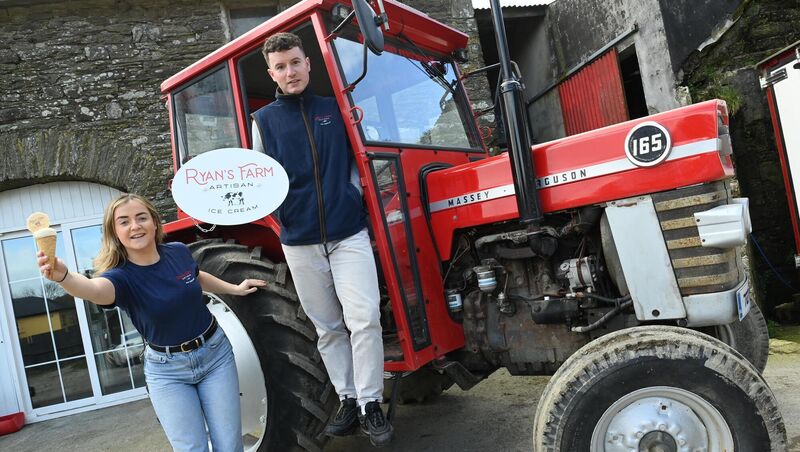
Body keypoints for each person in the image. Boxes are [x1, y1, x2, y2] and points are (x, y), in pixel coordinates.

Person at [37, 193, 266, 452]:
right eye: (124, 222)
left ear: (154, 223)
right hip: (167, 372)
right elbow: (93, 290)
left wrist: (235, 289)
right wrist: (64, 276)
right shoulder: (120, 278)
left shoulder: (178, 253)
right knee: (193, 449)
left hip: (215, 356)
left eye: (141, 217)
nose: (135, 226)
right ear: (114, 233)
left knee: (229, 446)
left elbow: (196, 277)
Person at [250, 32, 392, 447]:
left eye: (295, 62)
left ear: (308, 63)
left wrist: (353, 196)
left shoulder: (335, 110)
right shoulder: (263, 122)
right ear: (271, 73)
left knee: (364, 318)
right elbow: (261, 182)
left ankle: (370, 403)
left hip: (348, 234)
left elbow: (358, 164)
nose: (289, 72)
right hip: (300, 241)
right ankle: (346, 399)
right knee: (328, 327)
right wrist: (286, 218)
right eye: (280, 66)